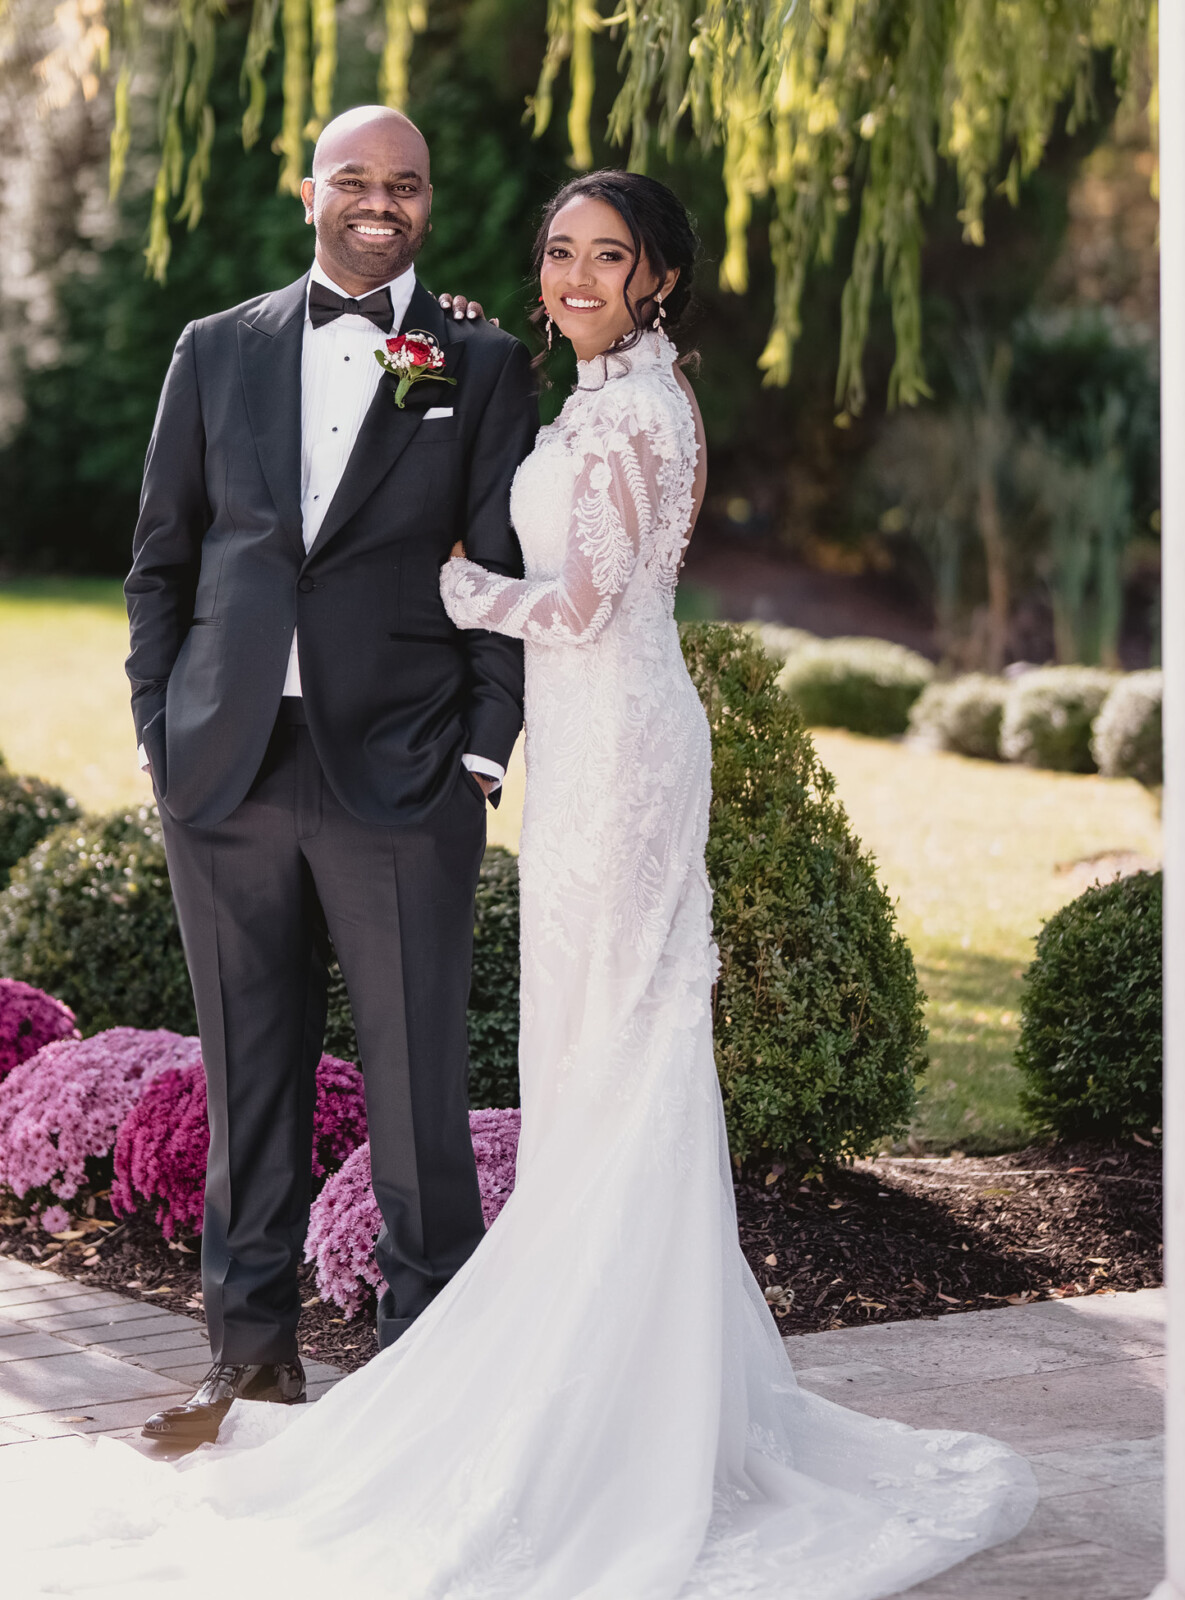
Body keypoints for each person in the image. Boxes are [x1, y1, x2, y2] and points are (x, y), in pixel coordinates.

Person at [4, 167, 1037, 1599]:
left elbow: (568, 591)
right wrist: (163, 732)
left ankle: (552, 1393)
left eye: (607, 257)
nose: (576, 276)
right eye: (560, 250)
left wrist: (461, 638)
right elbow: (165, 559)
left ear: (657, 278)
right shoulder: (540, 380)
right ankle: (415, 1368)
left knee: (588, 1056)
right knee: (577, 1063)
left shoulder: (588, 395)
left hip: (574, 758)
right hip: (445, 756)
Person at [124, 103, 536, 1443]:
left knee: (419, 1085)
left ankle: (429, 1373)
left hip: (403, 774)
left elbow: (503, 572)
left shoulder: (474, 358)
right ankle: (246, 1357)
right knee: (252, 1074)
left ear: (430, 201)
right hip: (226, 771)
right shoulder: (216, 349)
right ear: (310, 190)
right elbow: (162, 561)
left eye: (404, 184)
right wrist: (162, 739)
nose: (379, 202)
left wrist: (480, 750)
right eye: (355, 180)